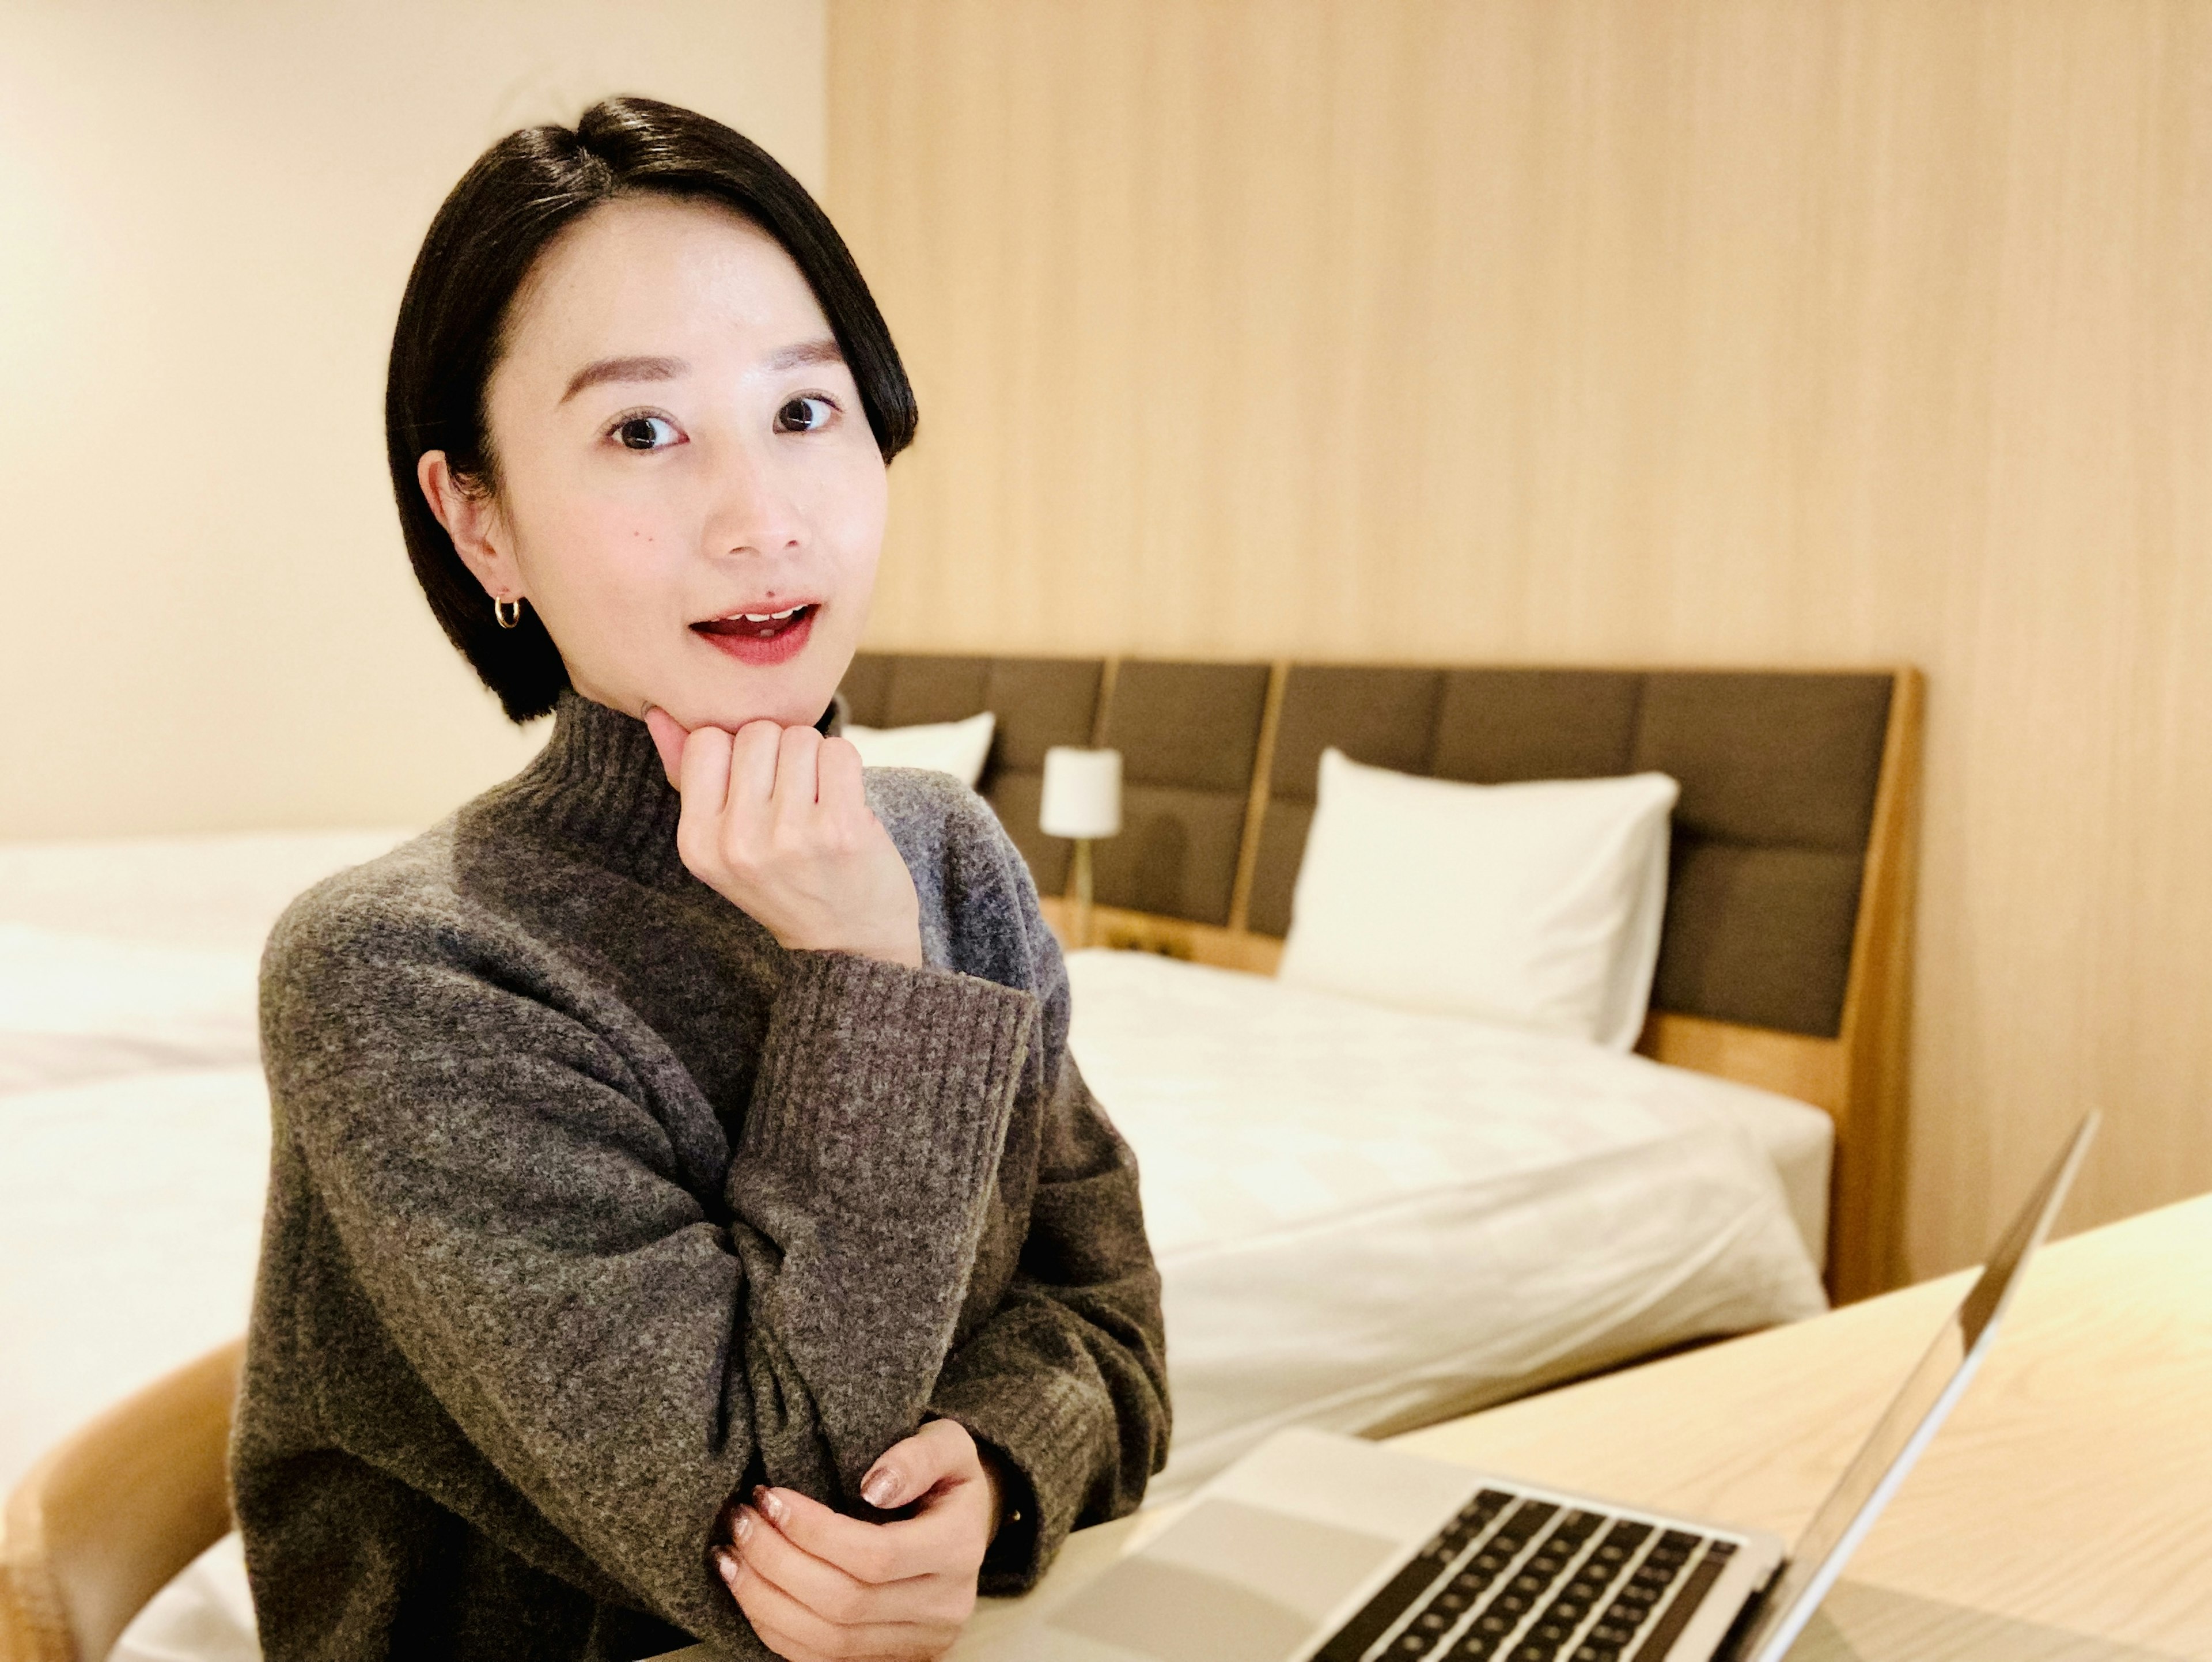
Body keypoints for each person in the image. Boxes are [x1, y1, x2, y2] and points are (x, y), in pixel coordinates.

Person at [230, 96, 1169, 1662]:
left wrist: (1003, 1472)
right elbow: (775, 1518)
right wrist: (867, 972)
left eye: (806, 414)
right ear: (480, 523)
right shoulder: (399, 971)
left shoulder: (953, 850)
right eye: (643, 431)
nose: (763, 520)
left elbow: (1116, 1328)